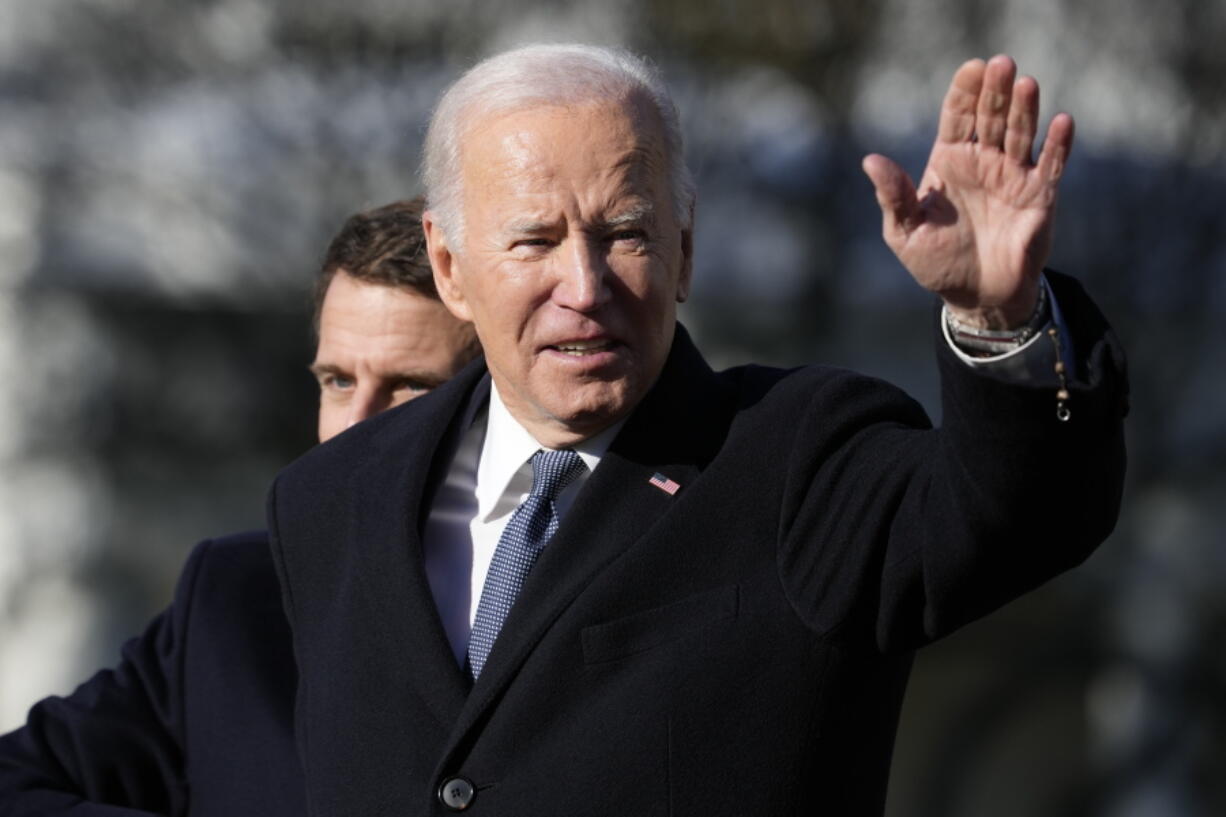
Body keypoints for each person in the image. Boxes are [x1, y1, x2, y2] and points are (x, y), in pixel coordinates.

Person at [2, 45, 1127, 816]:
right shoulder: (335, 500)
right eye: (534, 240)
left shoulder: (795, 456)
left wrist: (996, 316)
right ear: (451, 266)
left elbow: (1012, 512)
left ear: (684, 250)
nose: (583, 286)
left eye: (626, 233)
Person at [0, 197, 480, 815]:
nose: (357, 427)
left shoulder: (587, 591)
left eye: (411, 386)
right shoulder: (239, 598)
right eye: (338, 382)